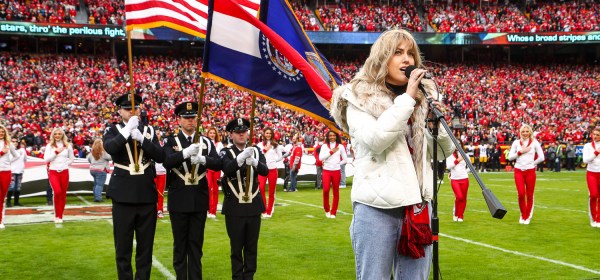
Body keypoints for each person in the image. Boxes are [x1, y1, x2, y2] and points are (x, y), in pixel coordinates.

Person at [330, 29, 455, 279]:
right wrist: (408, 98)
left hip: (418, 206)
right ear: (381, 57)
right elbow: (376, 140)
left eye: (411, 53)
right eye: (397, 53)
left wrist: (436, 124)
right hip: (377, 208)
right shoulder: (357, 96)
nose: (407, 59)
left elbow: (443, 151)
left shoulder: (424, 98)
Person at [103, 93, 165, 280]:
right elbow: (111, 148)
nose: (132, 111)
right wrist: (126, 131)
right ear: (119, 111)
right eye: (128, 108)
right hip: (123, 194)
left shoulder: (149, 131)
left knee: (146, 247)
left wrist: (142, 139)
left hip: (146, 193)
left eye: (135, 108)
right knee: (123, 246)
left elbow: (161, 156)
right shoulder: (112, 130)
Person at [163, 101, 222, 279]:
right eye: (186, 118)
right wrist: (185, 153)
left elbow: (219, 163)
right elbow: (166, 161)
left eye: (193, 118)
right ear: (179, 120)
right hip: (179, 198)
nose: (190, 121)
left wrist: (203, 159)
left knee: (196, 245)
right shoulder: (171, 140)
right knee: (180, 245)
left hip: (198, 198)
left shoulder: (206, 141)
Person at [220, 117, 269, 280]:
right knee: (236, 248)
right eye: (238, 132)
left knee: (251, 247)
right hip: (234, 206)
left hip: (253, 206)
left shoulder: (256, 151)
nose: (241, 135)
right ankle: (237, 277)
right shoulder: (226, 152)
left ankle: (249, 277)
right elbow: (226, 169)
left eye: (244, 132)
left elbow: (265, 171)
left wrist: (254, 161)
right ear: (231, 135)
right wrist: (240, 159)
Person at [508, 124, 545, 225]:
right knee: (520, 193)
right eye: (523, 131)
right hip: (518, 170)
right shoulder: (516, 142)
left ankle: (527, 216)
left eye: (527, 131)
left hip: (530, 171)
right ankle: (522, 214)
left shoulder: (535, 143)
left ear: (530, 132)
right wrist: (520, 152)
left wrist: (532, 163)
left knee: (529, 194)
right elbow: (510, 157)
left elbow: (542, 157)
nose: (525, 133)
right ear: (520, 132)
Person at [44, 127, 75, 224]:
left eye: (59, 134)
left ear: (62, 135)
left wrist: (66, 164)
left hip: (64, 171)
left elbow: (72, 158)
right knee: (57, 192)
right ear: (53, 135)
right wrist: (56, 152)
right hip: (53, 171)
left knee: (63, 194)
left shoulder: (67, 145)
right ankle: (56, 214)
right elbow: (46, 159)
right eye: (55, 134)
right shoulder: (50, 146)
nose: (57, 135)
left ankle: (60, 216)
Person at [256, 127, 285, 218]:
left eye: (270, 133)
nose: (268, 135)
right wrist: (265, 149)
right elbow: (258, 156)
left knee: (272, 191)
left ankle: (269, 210)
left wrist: (274, 161)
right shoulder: (260, 144)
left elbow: (280, 157)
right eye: (267, 133)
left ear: (272, 134)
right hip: (262, 170)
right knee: (261, 188)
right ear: (264, 134)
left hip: (273, 170)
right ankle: (263, 209)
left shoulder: (276, 145)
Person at [318, 130, 347, 219]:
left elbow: (345, 160)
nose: (332, 137)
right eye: (330, 135)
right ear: (328, 136)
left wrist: (338, 164)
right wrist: (331, 152)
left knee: (336, 192)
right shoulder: (324, 146)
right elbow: (320, 158)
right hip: (326, 170)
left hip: (336, 171)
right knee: (326, 190)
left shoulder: (341, 146)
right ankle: (327, 209)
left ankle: (333, 212)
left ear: (336, 136)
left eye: (334, 135)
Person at [0, 125, 18, 229]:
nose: (1, 133)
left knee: (2, 198)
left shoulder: (9, 144)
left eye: (2, 132)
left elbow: (16, 155)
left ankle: (1, 220)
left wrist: (8, 162)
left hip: (6, 172)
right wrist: (2, 152)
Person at [581, 126, 600, 228]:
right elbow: (585, 160)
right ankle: (593, 217)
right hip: (591, 173)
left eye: (597, 135)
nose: (595, 136)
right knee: (593, 195)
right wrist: (596, 152)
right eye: (594, 134)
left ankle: (599, 219)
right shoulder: (587, 146)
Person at [206, 127, 224, 219]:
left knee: (215, 190)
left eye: (213, 133)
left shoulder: (220, 144)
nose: (212, 134)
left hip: (217, 169)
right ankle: (209, 209)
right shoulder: (206, 143)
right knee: (208, 188)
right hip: (208, 169)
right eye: (210, 133)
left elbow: (222, 157)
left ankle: (213, 211)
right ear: (208, 134)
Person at [446, 150, 469, 222]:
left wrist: (465, 171)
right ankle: (456, 213)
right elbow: (449, 166)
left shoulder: (465, 154)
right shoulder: (449, 155)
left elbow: (470, 166)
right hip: (455, 179)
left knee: (463, 198)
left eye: (459, 143)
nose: (457, 145)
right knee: (459, 197)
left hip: (464, 178)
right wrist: (458, 160)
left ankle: (460, 215)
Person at [7, 139, 26, 207]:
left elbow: (25, 159)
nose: (15, 143)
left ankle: (16, 202)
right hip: (12, 171)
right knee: (11, 187)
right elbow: (9, 160)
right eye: (13, 142)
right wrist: (17, 156)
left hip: (20, 170)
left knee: (18, 187)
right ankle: (8, 202)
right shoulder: (9, 150)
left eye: (16, 142)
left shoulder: (22, 150)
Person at [155, 132, 167, 218]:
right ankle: (153, 210)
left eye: (158, 133)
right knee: (152, 193)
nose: (157, 135)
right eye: (156, 134)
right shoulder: (151, 144)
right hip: (153, 172)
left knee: (160, 193)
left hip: (162, 172)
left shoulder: (164, 144)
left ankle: (160, 210)